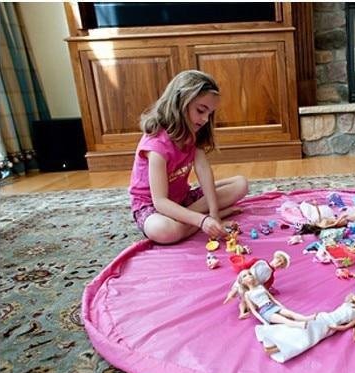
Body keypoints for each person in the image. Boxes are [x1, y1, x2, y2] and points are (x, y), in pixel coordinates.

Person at [129, 70, 248, 244]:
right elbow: (160, 201)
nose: (206, 119)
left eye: (209, 113)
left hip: (183, 200)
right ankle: (191, 221)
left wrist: (214, 214)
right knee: (164, 231)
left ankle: (187, 220)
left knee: (241, 184)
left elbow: (203, 171)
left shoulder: (192, 132)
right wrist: (202, 220)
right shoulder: (156, 145)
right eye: (201, 110)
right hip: (153, 207)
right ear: (180, 102)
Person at [255, 288, 355, 363]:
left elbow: (347, 326)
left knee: (307, 335)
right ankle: (276, 340)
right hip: (325, 317)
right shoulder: (350, 303)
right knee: (301, 327)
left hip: (331, 325)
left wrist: (335, 328)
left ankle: (277, 348)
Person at [242, 261, 315, 328]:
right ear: (243, 282)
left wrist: (282, 307)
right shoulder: (247, 294)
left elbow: (273, 299)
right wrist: (264, 322)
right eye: (245, 276)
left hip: (272, 306)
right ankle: (300, 325)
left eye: (250, 274)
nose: (249, 276)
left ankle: (306, 318)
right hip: (265, 311)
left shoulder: (261, 287)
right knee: (284, 320)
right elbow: (254, 311)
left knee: (290, 314)